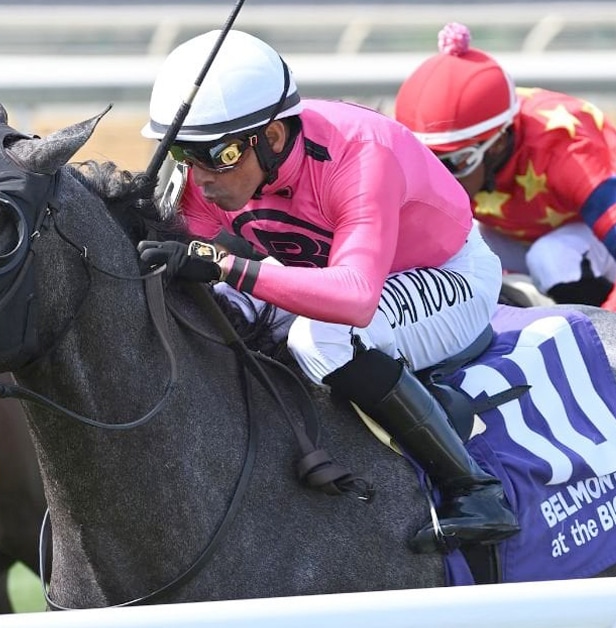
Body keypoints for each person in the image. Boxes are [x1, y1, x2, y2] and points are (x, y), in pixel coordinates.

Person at [136, 29, 519, 553]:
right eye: (185, 152)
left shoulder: (362, 154)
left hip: (449, 275)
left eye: (219, 155)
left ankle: (473, 489)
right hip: (337, 278)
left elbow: (356, 298)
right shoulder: (211, 174)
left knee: (319, 340)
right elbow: (181, 254)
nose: (201, 178)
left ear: (271, 137)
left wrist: (227, 267)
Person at [394, 23, 616, 313]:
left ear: (498, 144)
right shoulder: (481, 141)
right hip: (516, 232)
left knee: (551, 256)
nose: (435, 179)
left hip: (611, 233)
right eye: (422, 159)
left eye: (453, 163)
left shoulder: (569, 150)